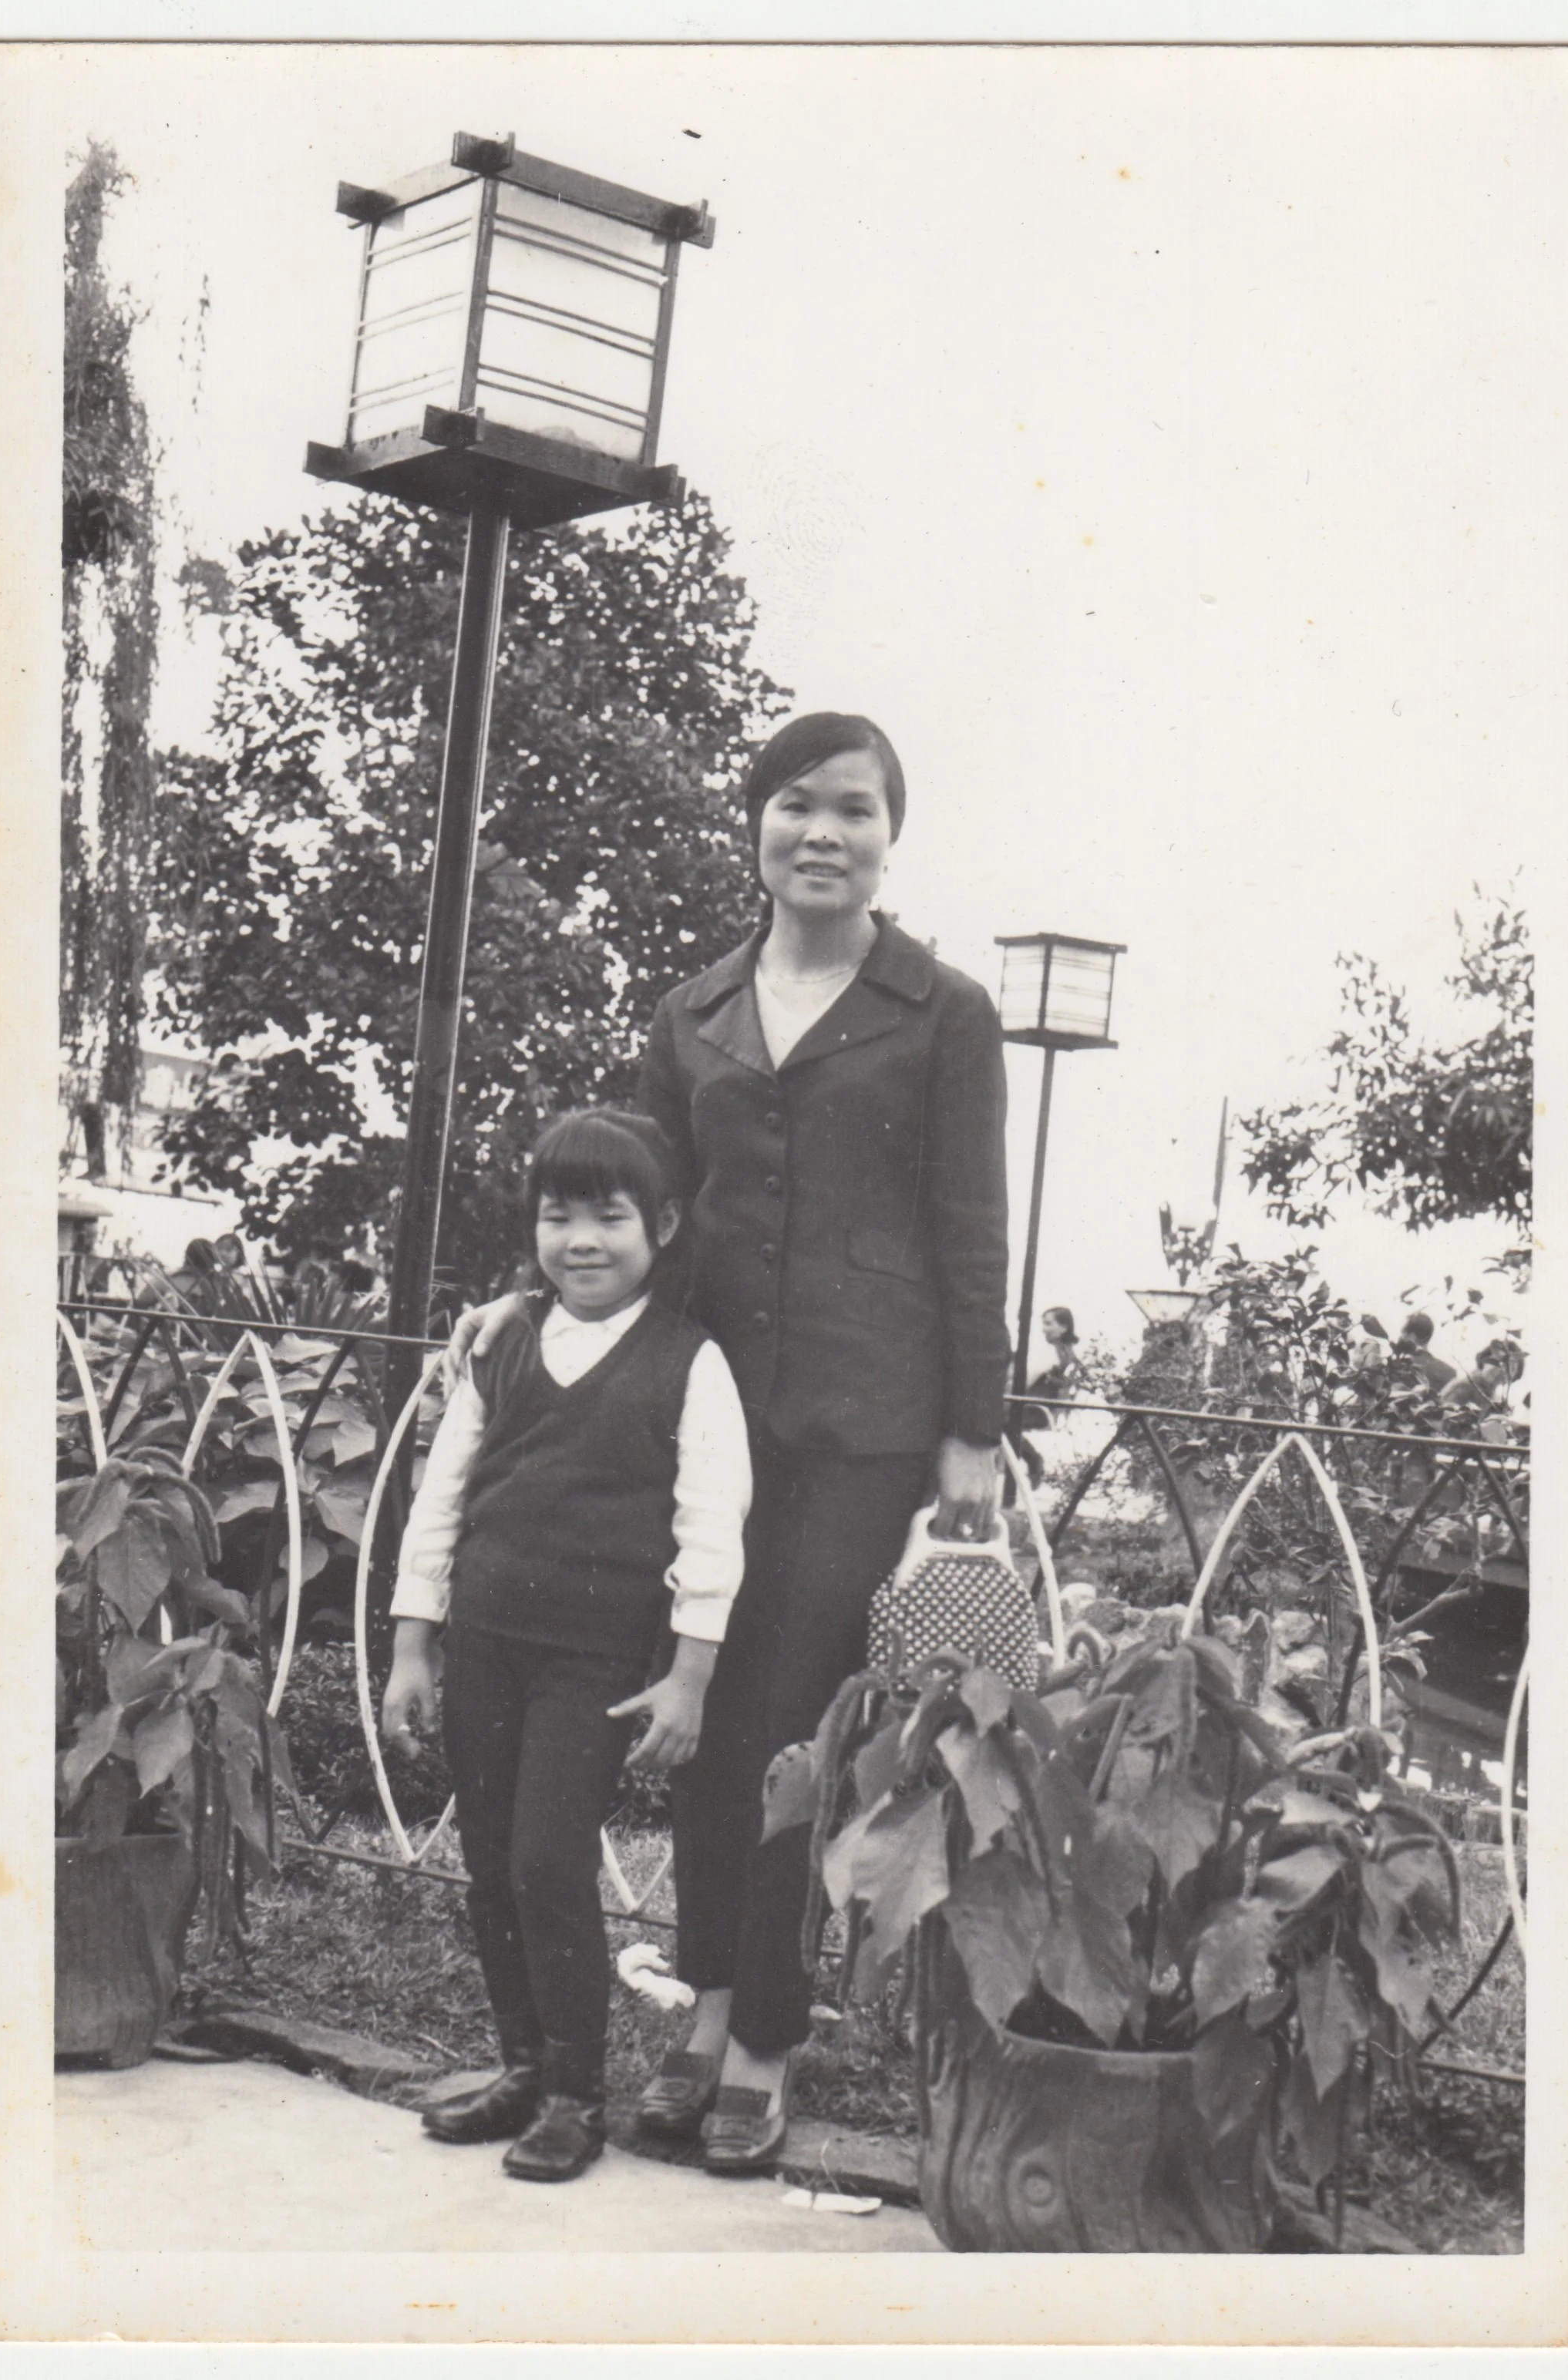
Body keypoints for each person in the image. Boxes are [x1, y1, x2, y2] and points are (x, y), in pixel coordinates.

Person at [452, 710, 1010, 2175]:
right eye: (791, 806)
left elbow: (970, 1225)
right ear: (752, 824)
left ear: (890, 836)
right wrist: (525, 1294)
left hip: (861, 1431)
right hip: (704, 1420)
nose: (818, 832)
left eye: (852, 810)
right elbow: (642, 1197)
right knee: (695, 1721)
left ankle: (761, 2037)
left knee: (779, 1726)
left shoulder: (942, 1011)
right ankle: (701, 2011)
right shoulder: (691, 1008)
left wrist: (971, 1427)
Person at [381, 1108, 752, 2183]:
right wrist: (414, 1647)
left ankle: (575, 2096)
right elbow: (440, 1502)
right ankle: (520, 2071)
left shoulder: (692, 1362)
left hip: (591, 1660)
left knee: (548, 1860)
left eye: (608, 1217)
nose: (581, 1240)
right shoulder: (500, 1346)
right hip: (485, 1639)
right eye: (558, 1217)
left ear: (663, 1226)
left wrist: (688, 1677)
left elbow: (710, 1529)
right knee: (491, 1863)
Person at [1394, 1311, 1458, 1396]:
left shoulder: (1397, 1368)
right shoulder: (1450, 1372)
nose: (1400, 1337)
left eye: (1403, 1332)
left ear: (1412, 1336)